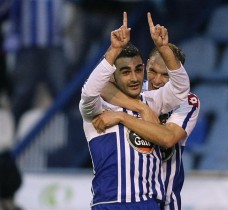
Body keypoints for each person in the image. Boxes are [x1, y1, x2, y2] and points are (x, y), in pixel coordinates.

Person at [79, 12, 190, 209]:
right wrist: (113, 50)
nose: (134, 78)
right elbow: (89, 91)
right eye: (125, 72)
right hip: (109, 203)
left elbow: (181, 88)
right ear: (112, 76)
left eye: (138, 70)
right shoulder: (98, 108)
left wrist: (163, 48)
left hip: (147, 203)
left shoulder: (151, 101)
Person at [93, 44, 200, 210]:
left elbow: (168, 138)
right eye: (152, 71)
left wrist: (122, 116)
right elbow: (99, 86)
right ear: (146, 65)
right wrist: (141, 108)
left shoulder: (187, 101)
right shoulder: (135, 89)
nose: (157, 81)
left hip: (166, 196)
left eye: (166, 75)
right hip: (134, 196)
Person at [7, 0, 67, 126]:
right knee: (22, 95)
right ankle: (16, 138)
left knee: (63, 94)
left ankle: (72, 138)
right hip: (28, 46)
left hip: (54, 44)